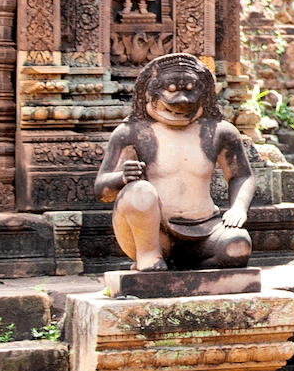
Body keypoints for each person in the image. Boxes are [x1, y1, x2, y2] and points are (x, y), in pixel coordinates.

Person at [98, 53, 255, 270]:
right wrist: (122, 177)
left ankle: (185, 270)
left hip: (206, 228)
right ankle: (150, 257)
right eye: (171, 90)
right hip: (154, 234)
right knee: (139, 190)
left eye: (190, 91)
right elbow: (101, 190)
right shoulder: (131, 133)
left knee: (238, 247)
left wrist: (238, 208)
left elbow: (242, 176)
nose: (182, 100)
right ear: (148, 94)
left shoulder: (219, 132)